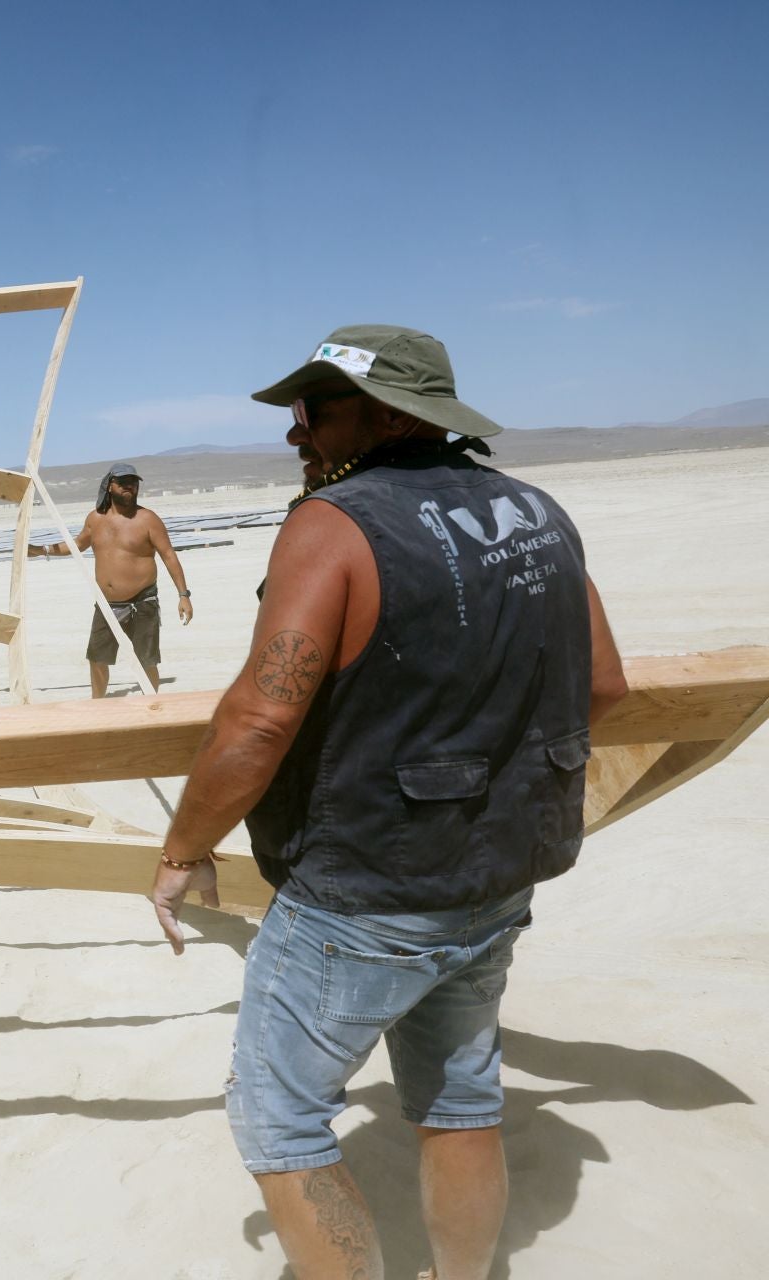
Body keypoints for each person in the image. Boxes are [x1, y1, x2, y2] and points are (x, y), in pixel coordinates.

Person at [150, 326, 627, 1280]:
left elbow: (255, 721)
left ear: (394, 413)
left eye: (315, 409)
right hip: (494, 878)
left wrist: (183, 848)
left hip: (361, 890)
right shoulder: (537, 510)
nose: (296, 434)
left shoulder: (334, 523)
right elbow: (604, 685)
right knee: (460, 1100)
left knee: (280, 1119)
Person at [29, 461, 192, 696]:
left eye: (133, 483)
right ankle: (98, 704)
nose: (129, 487)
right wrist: (41, 550)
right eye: (123, 482)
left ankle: (152, 704)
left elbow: (169, 556)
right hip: (107, 605)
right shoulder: (95, 519)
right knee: (97, 659)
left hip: (142, 602)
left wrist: (183, 595)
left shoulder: (148, 519)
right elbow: (76, 545)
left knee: (147, 660)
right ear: (109, 486)